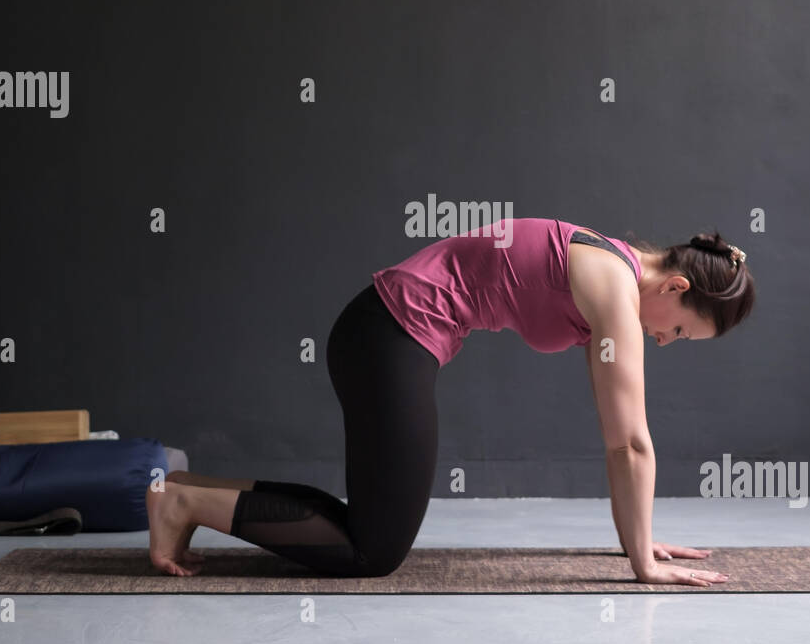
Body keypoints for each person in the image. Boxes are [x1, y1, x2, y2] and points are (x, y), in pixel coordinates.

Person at [146, 216, 755, 585]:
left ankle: (186, 493)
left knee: (367, 525)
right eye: (678, 329)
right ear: (676, 286)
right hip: (388, 335)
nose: (664, 339)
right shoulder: (613, 288)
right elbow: (630, 442)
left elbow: (617, 433)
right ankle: (185, 504)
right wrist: (643, 567)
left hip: (383, 333)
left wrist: (636, 537)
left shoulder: (611, 265)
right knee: (373, 551)